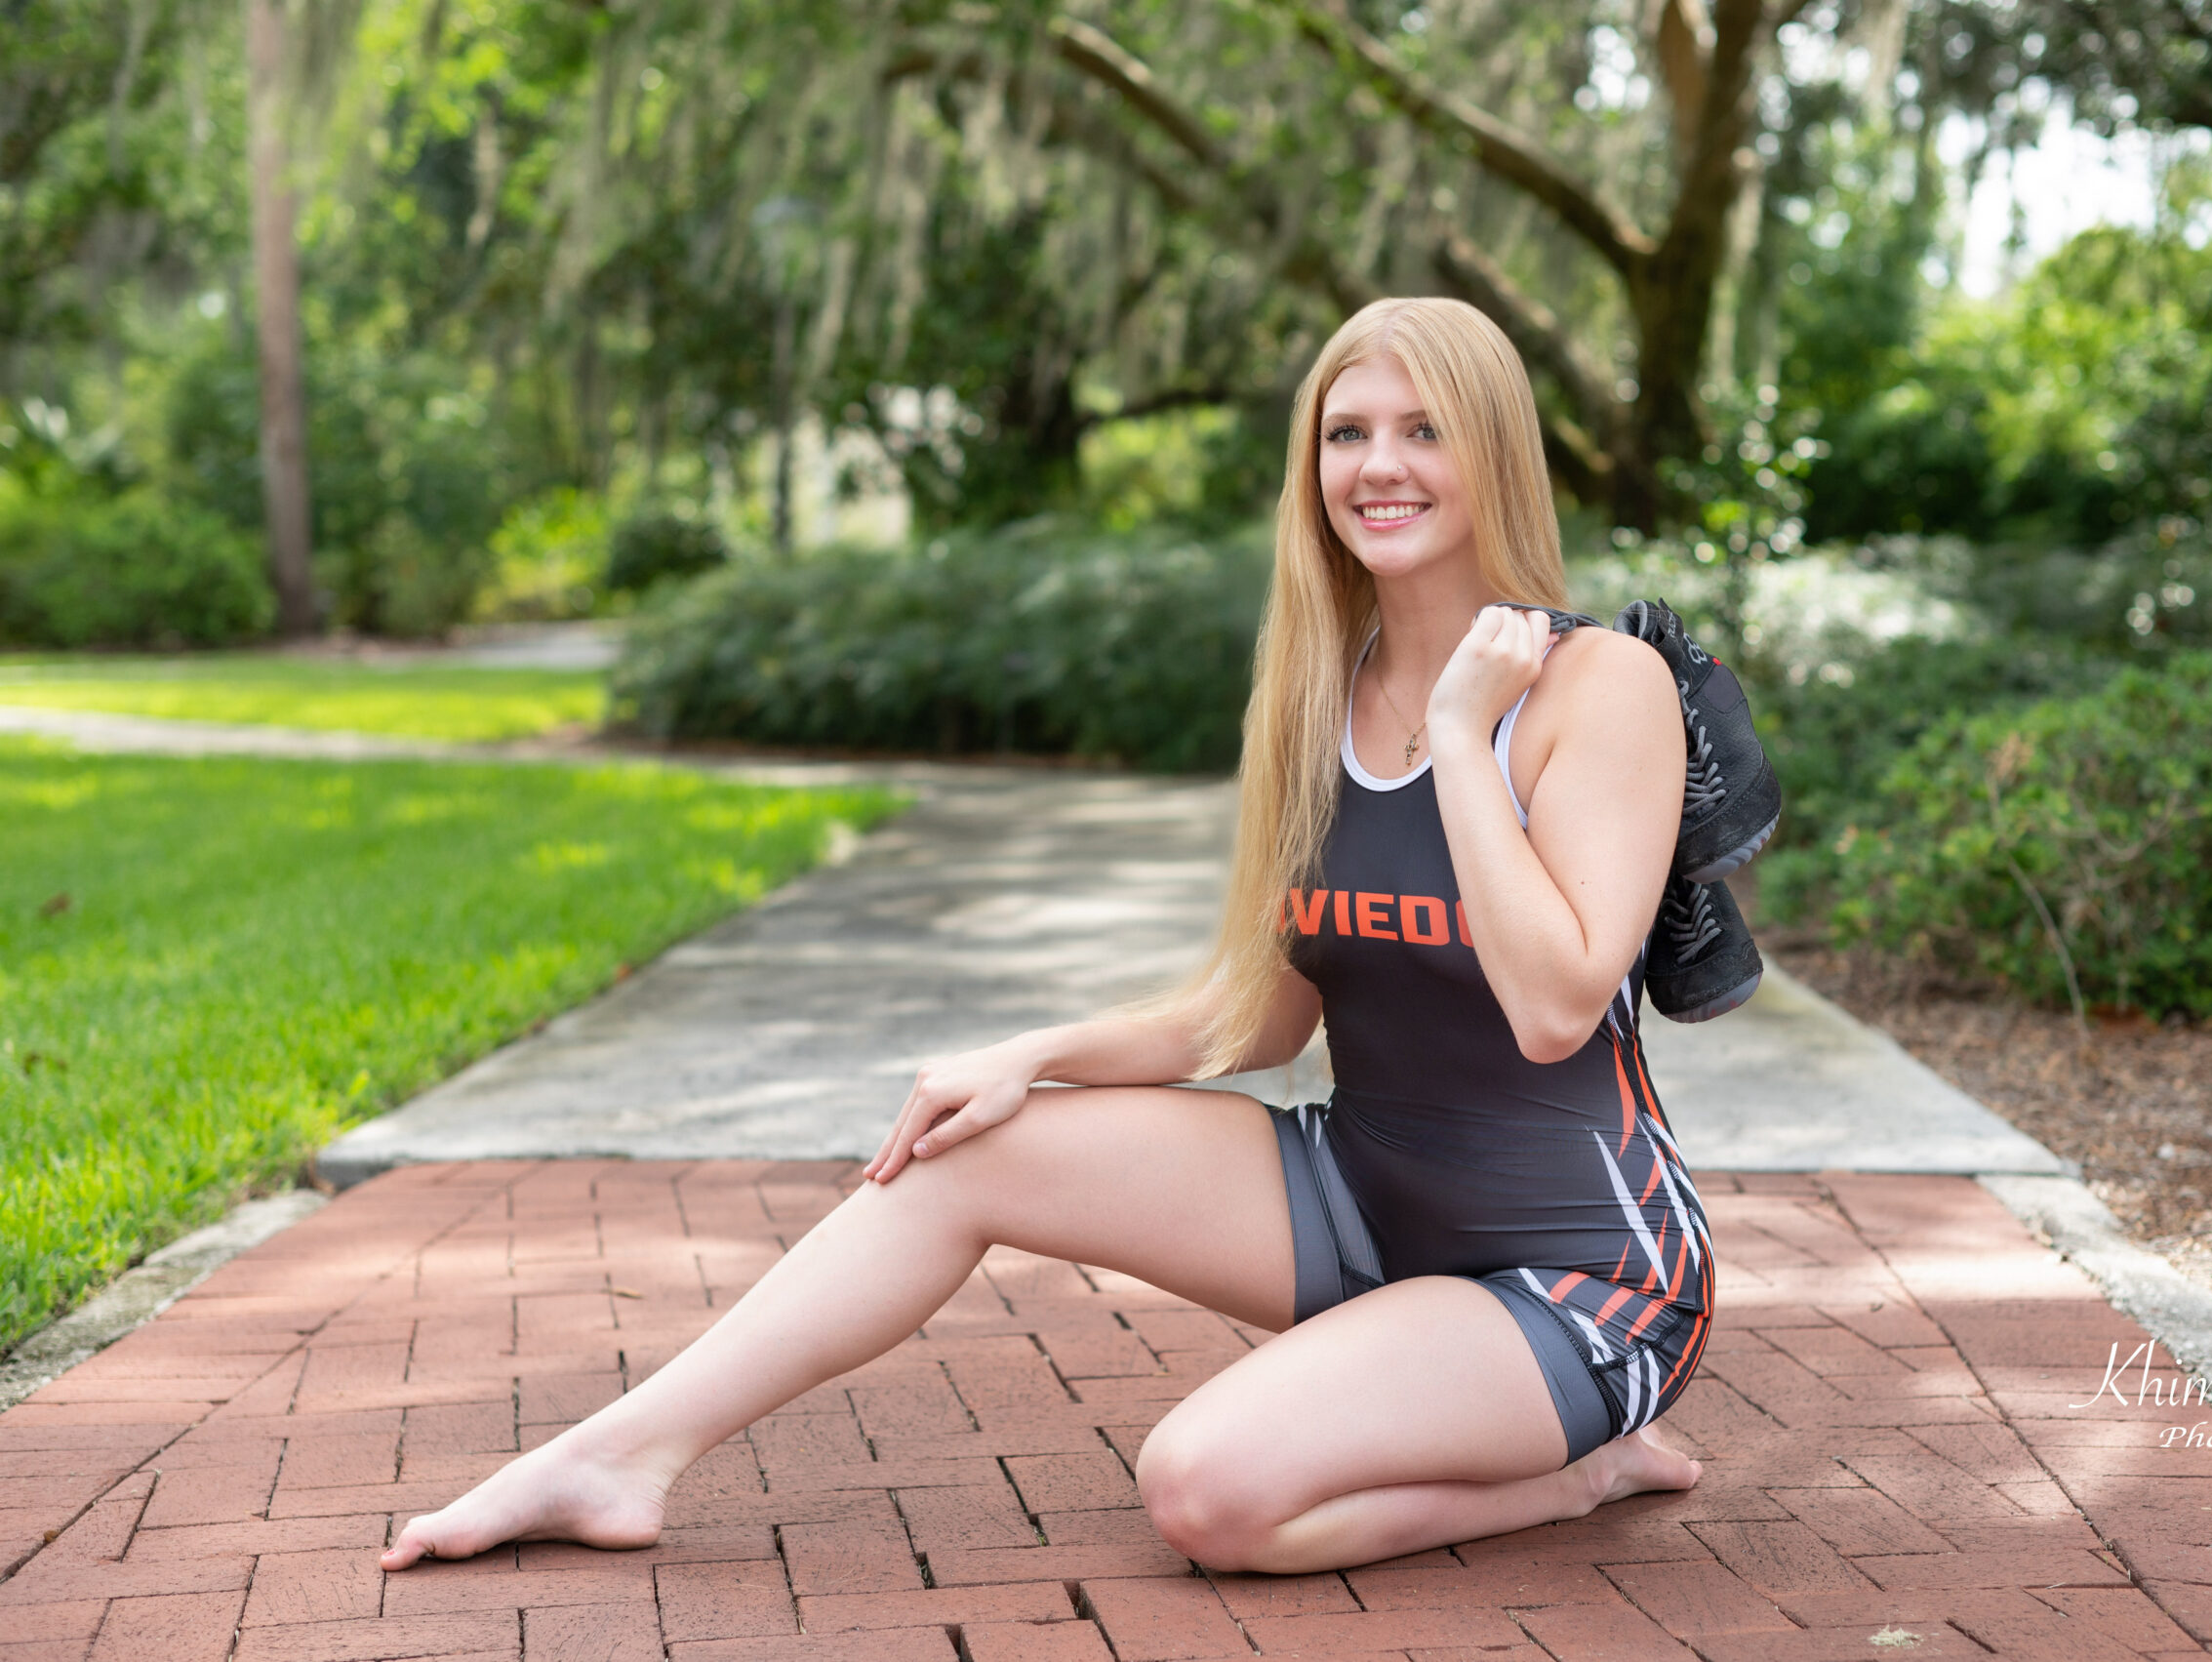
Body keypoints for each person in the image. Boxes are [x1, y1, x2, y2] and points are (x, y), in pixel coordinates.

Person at [380, 297, 1711, 1578]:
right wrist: (1030, 1054)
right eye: (1345, 432)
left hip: (1582, 1272)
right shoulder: (1323, 696)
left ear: (1497, 451)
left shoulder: (1599, 685)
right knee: (966, 1143)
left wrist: (1466, 742)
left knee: (1208, 1493)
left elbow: (1552, 1004)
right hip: (1364, 1199)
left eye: (1424, 430)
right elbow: (1262, 1015)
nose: (1379, 465)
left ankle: (1587, 1465)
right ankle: (616, 1460)